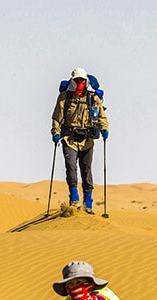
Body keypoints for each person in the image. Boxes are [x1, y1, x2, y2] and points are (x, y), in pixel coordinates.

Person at [51, 68, 109, 214]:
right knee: (71, 168)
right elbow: (57, 117)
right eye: (76, 80)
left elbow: (101, 117)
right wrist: (56, 132)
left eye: (81, 80)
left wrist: (104, 129)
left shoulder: (93, 98)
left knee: (87, 171)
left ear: (85, 81)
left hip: (87, 141)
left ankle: (88, 204)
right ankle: (74, 200)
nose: (79, 83)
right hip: (69, 139)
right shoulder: (65, 97)